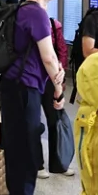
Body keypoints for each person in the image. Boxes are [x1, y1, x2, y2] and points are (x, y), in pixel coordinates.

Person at [0, 0, 64, 195]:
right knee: (26, 151)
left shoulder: (20, 8)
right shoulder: (36, 13)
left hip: (12, 85)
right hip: (24, 88)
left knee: (17, 148)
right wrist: (59, 89)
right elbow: (49, 58)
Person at [38, 17, 74, 179]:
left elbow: (62, 51)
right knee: (33, 123)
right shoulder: (26, 22)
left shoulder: (54, 24)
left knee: (55, 119)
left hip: (50, 79)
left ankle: (58, 163)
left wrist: (60, 76)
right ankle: (37, 164)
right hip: (30, 78)